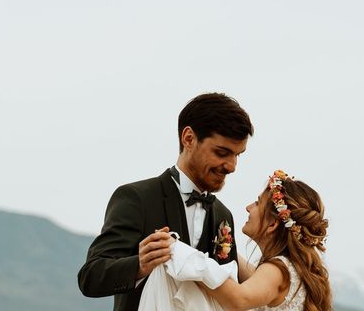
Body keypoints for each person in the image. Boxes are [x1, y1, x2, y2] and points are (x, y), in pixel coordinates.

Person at [77, 92, 254, 311]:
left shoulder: (222, 215)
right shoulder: (136, 198)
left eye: (238, 155)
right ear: (188, 138)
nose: (232, 166)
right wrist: (140, 266)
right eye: (222, 152)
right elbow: (90, 277)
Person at [200, 169, 332, 311]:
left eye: (257, 203)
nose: (248, 208)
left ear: (272, 224)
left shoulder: (278, 270)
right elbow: (253, 275)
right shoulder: (289, 269)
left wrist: (189, 258)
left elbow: (239, 299)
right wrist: (222, 244)